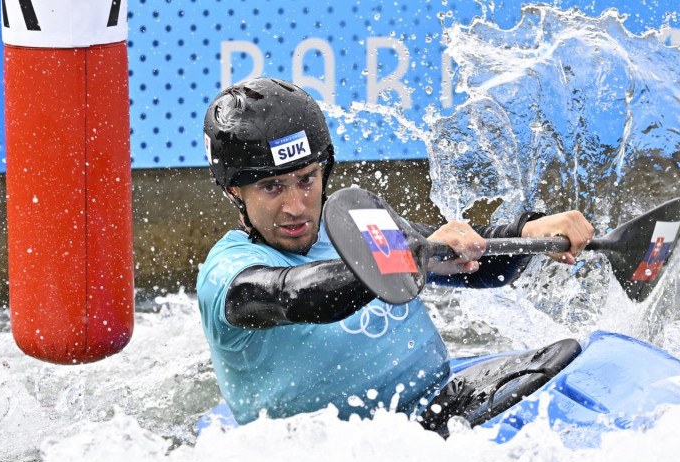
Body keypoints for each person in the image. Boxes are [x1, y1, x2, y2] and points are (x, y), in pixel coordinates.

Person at [197, 77, 593, 431]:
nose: (296, 206)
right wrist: (402, 258)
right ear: (235, 191)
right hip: (335, 456)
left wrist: (528, 230)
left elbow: (477, 269)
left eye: (306, 180)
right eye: (272, 187)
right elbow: (295, 295)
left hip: (440, 406)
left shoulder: (354, 223)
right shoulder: (228, 273)